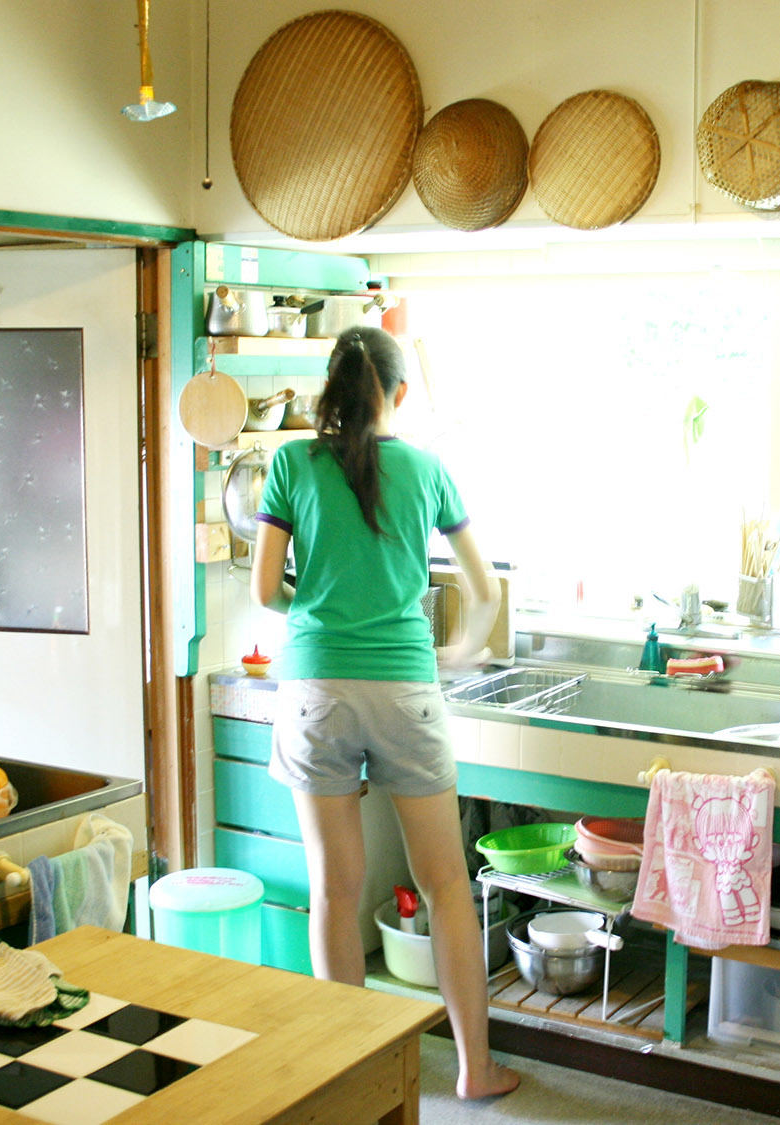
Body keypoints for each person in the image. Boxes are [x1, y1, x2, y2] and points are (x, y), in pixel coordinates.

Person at [251, 324, 521, 1101]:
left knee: (336, 889)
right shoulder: (427, 468)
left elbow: (266, 591)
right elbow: (486, 587)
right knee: (445, 885)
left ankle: (355, 1075)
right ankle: (474, 1067)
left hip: (313, 690)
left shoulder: (288, 462)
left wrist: (320, 609)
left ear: (330, 390)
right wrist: (461, 649)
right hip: (406, 688)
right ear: (397, 395)